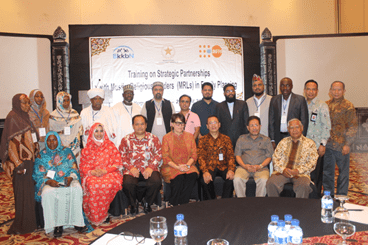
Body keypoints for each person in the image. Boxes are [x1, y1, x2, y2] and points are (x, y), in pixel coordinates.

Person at [33, 131, 87, 237]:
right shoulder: (41, 156)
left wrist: (71, 178)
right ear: (46, 141)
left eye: (54, 139)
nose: (52, 142)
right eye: (49, 140)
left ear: (58, 140)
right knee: (47, 193)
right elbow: (38, 175)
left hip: (67, 180)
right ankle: (57, 225)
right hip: (50, 182)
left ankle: (77, 223)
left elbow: (74, 168)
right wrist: (48, 182)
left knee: (77, 189)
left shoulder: (66, 151)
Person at [0, 94, 38, 234]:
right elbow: (11, 145)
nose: (28, 105)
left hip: (29, 162)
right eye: (25, 103)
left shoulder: (25, 116)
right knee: (22, 194)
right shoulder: (12, 117)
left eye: (29, 103)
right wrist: (18, 165)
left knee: (29, 194)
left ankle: (31, 222)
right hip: (21, 165)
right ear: (17, 103)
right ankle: (23, 224)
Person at [79, 123, 123, 225]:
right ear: (91, 133)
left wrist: (105, 171)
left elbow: (117, 163)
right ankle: (96, 216)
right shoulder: (87, 148)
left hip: (109, 173)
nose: (99, 134)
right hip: (92, 174)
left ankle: (104, 213)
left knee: (108, 183)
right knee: (93, 184)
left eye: (101, 131)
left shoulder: (110, 146)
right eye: (96, 131)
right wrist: (92, 172)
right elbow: (83, 166)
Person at [120, 115, 162, 214]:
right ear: (133, 126)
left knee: (156, 181)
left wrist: (151, 168)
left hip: (149, 168)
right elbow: (122, 155)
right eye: (137, 124)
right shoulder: (126, 139)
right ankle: (133, 204)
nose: (140, 126)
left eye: (142, 124)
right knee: (127, 183)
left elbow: (158, 154)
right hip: (132, 168)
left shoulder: (153, 138)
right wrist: (131, 168)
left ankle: (147, 202)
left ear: (146, 125)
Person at [266, 119, 318, 198]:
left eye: (297, 127)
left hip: (301, 174)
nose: (294, 130)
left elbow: (312, 162)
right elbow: (275, 158)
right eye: (291, 128)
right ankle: (274, 207)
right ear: (288, 129)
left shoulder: (310, 143)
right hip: (282, 173)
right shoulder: (283, 142)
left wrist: (297, 171)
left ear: (302, 128)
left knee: (303, 186)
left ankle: (300, 209)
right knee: (271, 183)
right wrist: (283, 170)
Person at [323, 81, 358, 196]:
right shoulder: (325, 105)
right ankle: (329, 196)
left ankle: (342, 198)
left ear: (344, 91)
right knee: (328, 173)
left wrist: (348, 144)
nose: (336, 92)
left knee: (343, 174)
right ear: (330, 91)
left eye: (339, 90)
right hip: (328, 145)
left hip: (342, 146)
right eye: (334, 89)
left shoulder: (348, 106)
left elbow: (352, 126)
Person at [161, 113, 199, 206]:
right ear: (172, 124)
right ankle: (174, 202)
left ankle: (182, 203)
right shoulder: (166, 137)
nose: (180, 126)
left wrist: (187, 165)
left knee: (193, 175)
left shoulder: (190, 136)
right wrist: (178, 167)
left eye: (182, 123)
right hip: (171, 166)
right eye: (177, 123)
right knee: (179, 178)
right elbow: (165, 157)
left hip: (188, 165)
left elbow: (194, 154)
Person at [233, 116, 273, 197]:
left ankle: (259, 204)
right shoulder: (241, 139)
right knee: (237, 179)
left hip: (261, 168)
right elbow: (237, 155)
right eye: (252, 125)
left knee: (263, 180)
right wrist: (244, 166)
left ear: (260, 126)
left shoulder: (266, 140)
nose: (254, 128)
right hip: (244, 167)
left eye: (256, 125)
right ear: (248, 127)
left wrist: (260, 166)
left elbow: (269, 157)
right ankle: (241, 202)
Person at [304, 80, 331, 196]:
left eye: (313, 89)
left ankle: (315, 199)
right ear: (305, 90)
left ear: (317, 91)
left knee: (317, 175)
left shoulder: (322, 105)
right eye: (308, 89)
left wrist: (323, 144)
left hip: (316, 146)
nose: (310, 92)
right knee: (305, 174)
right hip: (304, 147)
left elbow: (326, 126)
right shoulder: (302, 104)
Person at [198, 115, 236, 200]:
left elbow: (231, 156)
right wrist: (205, 171)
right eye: (210, 123)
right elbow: (201, 157)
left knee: (231, 178)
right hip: (209, 167)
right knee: (204, 180)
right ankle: (212, 203)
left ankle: (225, 202)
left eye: (215, 122)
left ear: (219, 124)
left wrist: (231, 169)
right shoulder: (202, 140)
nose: (213, 125)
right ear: (207, 126)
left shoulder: (226, 139)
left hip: (224, 166)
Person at [269, 77, 309, 148]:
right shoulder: (274, 100)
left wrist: (301, 138)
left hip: (294, 137)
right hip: (278, 137)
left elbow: (304, 121)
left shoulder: (300, 100)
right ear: (279, 87)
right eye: (282, 85)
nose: (285, 88)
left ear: (292, 86)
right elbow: (271, 121)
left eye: (287, 85)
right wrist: (272, 139)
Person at [49, 91, 83, 164]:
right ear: (59, 101)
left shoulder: (75, 114)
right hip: (59, 145)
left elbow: (79, 130)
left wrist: (74, 142)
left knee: (74, 164)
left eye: (68, 100)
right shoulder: (53, 116)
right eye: (64, 100)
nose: (66, 103)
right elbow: (51, 132)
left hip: (74, 145)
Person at [214, 83, 249, 148]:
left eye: (232, 91)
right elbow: (218, 124)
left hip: (241, 139)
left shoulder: (242, 104)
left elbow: (246, 122)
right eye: (228, 91)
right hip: (224, 139)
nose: (231, 93)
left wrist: (246, 137)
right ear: (224, 93)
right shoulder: (219, 106)